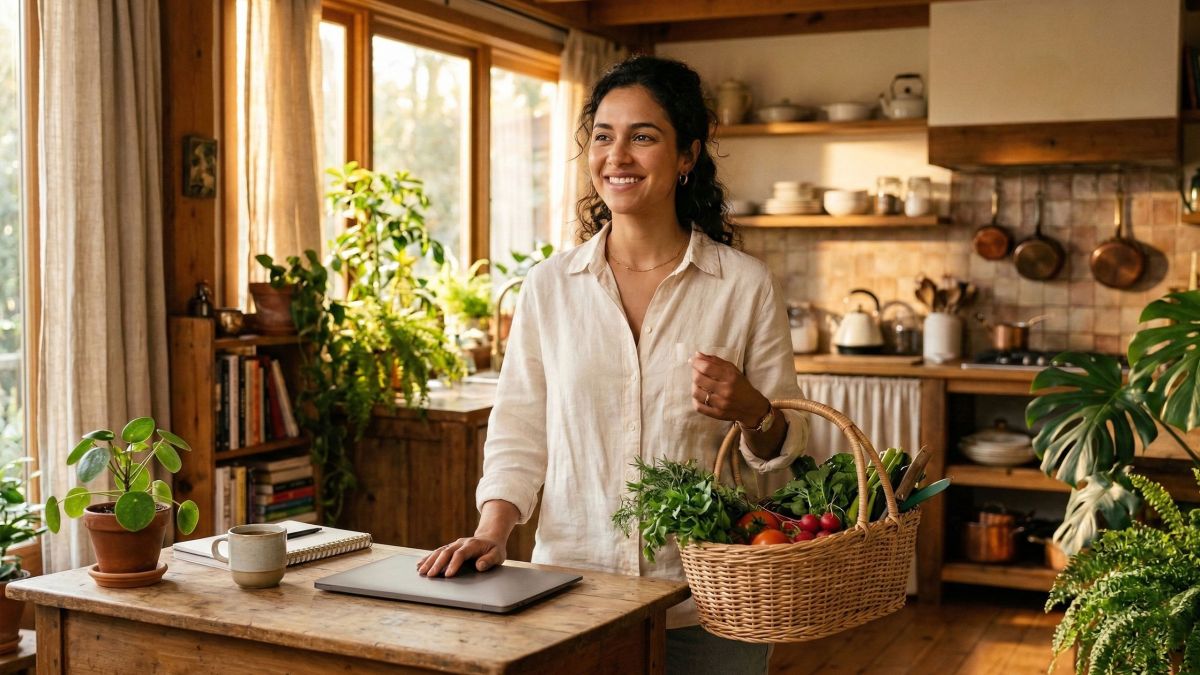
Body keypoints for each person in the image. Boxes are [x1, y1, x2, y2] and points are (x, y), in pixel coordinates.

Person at [418, 55, 810, 675]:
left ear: (687, 157)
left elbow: (784, 446)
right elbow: (521, 428)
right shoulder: (551, 286)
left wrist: (754, 410)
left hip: (705, 603)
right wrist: (493, 531)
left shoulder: (743, 286)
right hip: (570, 597)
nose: (617, 156)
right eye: (603, 136)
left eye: (643, 137)